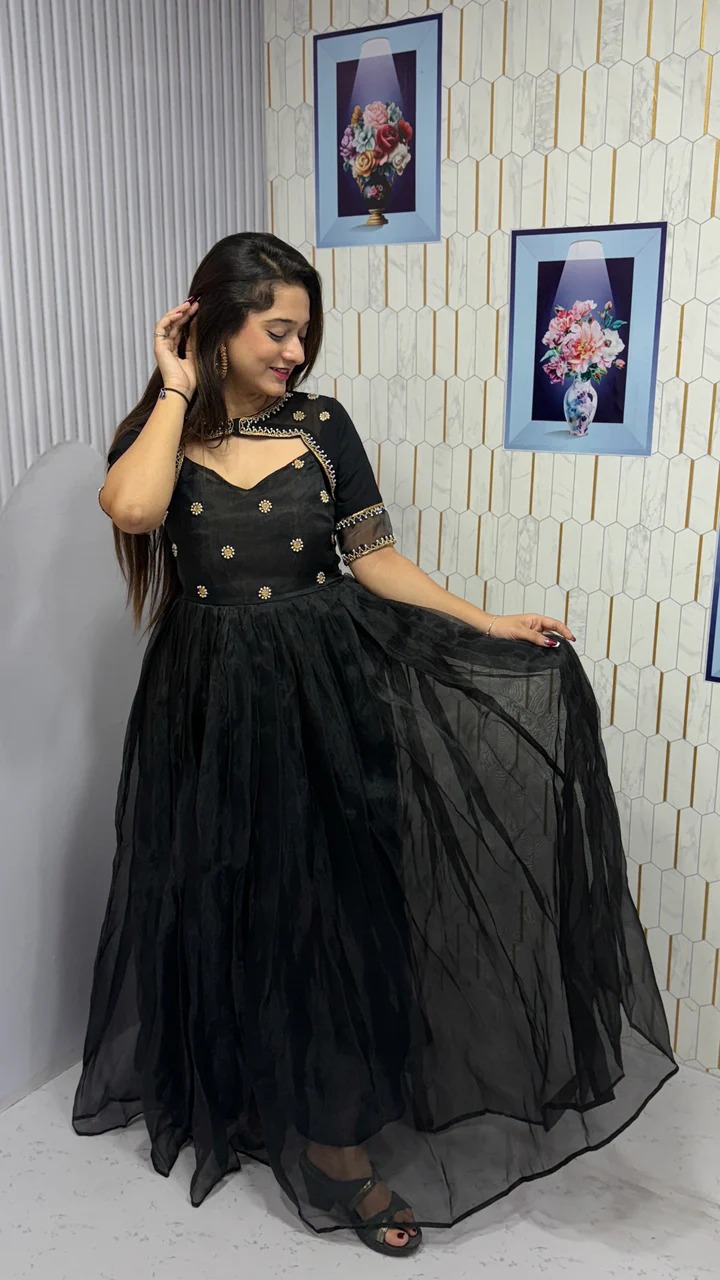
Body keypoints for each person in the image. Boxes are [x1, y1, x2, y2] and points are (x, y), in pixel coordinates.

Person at [73, 232, 677, 1258]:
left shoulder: (322, 426)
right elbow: (132, 509)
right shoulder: (161, 432)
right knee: (231, 900)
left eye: (304, 333)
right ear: (216, 322)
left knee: (335, 917)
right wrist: (176, 386)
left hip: (325, 694)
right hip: (207, 704)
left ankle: (340, 1150)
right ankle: (251, 1093)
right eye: (277, 329)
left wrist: (486, 622)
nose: (296, 351)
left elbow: (375, 558)